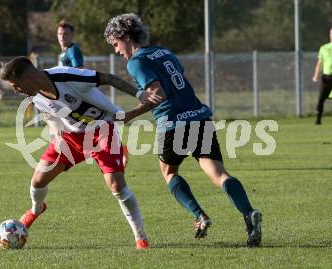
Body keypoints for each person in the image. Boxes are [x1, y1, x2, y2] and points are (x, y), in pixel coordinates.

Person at [104, 13, 262, 247]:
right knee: (218, 173)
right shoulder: (164, 51)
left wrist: (130, 115)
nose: (117, 51)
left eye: (116, 44)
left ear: (124, 36)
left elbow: (158, 94)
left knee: (169, 173)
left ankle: (200, 215)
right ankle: (249, 212)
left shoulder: (136, 61)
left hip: (173, 123)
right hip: (199, 116)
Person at [0, 56, 160, 249]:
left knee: (117, 186)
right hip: (70, 137)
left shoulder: (65, 75)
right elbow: (50, 115)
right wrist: (57, 135)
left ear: (28, 77)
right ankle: (36, 209)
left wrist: (138, 94)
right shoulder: (34, 95)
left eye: (16, 85)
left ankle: (140, 237)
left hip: (102, 130)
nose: (16, 91)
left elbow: (109, 78)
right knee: (37, 182)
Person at [312, 27, 332, 125]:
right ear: (330, 35)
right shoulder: (324, 48)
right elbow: (319, 63)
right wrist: (316, 75)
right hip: (327, 78)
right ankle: (318, 120)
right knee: (321, 99)